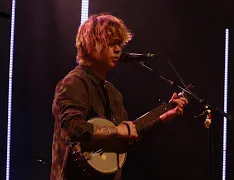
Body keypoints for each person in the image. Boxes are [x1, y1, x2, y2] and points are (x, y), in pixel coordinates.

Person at [50, 13, 188, 180]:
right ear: (91, 44)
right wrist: (116, 130)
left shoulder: (113, 93)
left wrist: (162, 117)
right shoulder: (74, 82)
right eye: (111, 43)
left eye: (119, 44)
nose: (118, 50)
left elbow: (128, 139)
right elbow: (72, 127)